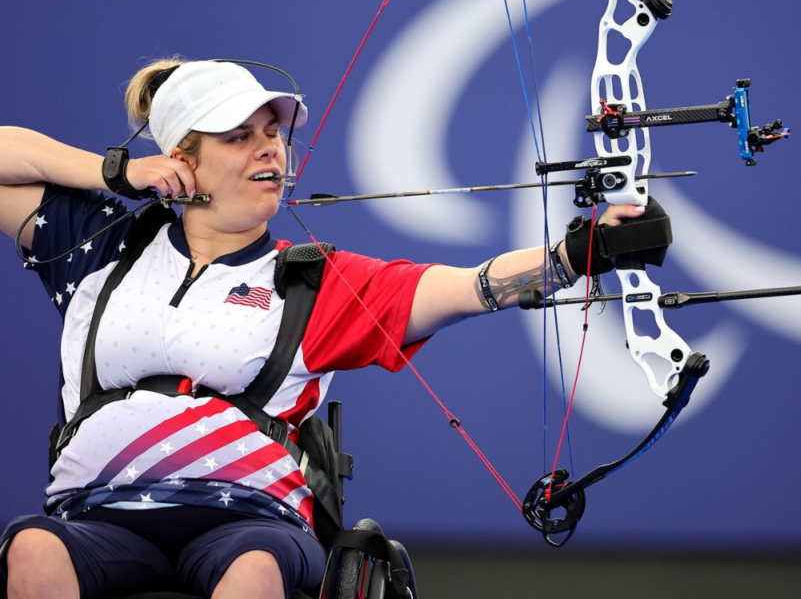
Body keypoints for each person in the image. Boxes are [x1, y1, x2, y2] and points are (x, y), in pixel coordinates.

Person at [0, 59, 647, 599]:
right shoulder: (96, 247)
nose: (269, 147)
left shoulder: (313, 280)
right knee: (31, 548)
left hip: (250, 523)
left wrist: (575, 256)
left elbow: (469, 287)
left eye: (275, 132)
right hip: (96, 516)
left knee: (252, 571)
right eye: (238, 135)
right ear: (180, 161)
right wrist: (113, 173)